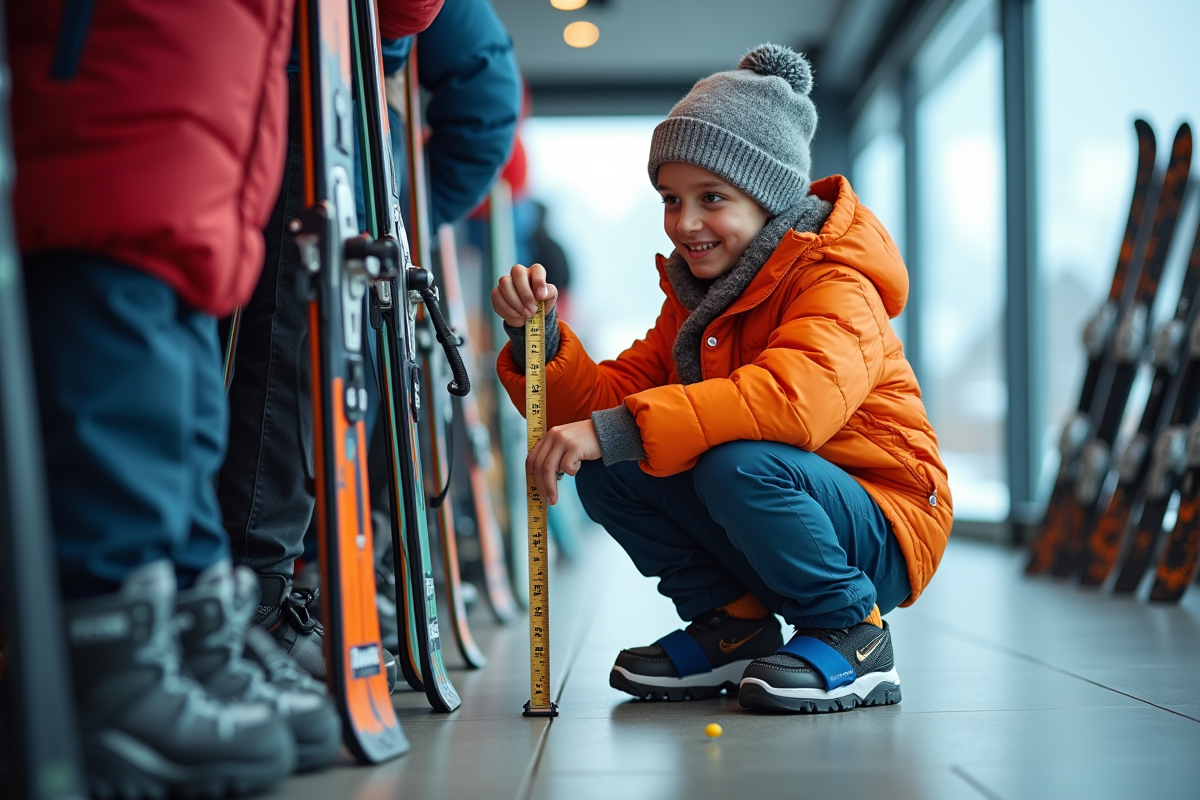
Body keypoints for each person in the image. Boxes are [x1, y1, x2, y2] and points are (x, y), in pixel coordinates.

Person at [9, 1, 441, 796]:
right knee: (126, 282)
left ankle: (188, 624)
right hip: (157, 42)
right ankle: (115, 643)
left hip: (232, 60)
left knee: (182, 318)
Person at [492, 45, 952, 714]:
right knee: (607, 462)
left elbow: (793, 405)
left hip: (885, 520)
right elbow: (616, 401)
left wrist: (619, 429)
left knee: (733, 462)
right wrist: (543, 341)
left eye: (712, 198)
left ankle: (854, 634)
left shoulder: (835, 283)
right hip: (785, 501)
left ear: (768, 197)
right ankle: (732, 625)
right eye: (671, 199)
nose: (685, 223)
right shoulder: (698, 301)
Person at [219, 0, 519, 677]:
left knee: (281, 358)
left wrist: (402, 208)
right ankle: (305, 581)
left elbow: (473, 77)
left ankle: (266, 594)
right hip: (324, 112)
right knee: (301, 363)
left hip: (306, 107)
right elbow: (481, 81)